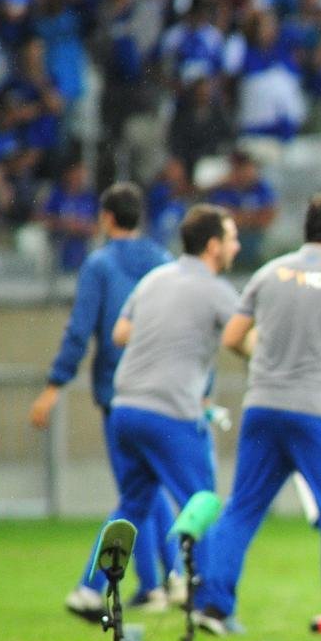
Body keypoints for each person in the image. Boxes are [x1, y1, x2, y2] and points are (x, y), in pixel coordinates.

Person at [192, 194, 321, 636]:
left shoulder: (269, 273)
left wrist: (268, 361)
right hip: (318, 413)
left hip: (264, 405)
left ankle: (213, 608)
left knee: (243, 509)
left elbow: (233, 336)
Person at [29, 183, 178, 620]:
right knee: (151, 490)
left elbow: (80, 331)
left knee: (135, 491)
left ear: (107, 218)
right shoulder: (164, 263)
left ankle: (147, 585)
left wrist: (54, 386)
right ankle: (167, 580)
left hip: (120, 396)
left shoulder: (99, 264)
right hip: (166, 392)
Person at [107, 205, 240, 601]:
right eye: (232, 238)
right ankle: (208, 603)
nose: (236, 245)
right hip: (171, 410)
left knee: (133, 503)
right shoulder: (216, 290)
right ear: (214, 246)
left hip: (125, 407)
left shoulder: (154, 279)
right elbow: (244, 339)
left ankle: (89, 588)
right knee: (201, 504)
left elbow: (120, 333)